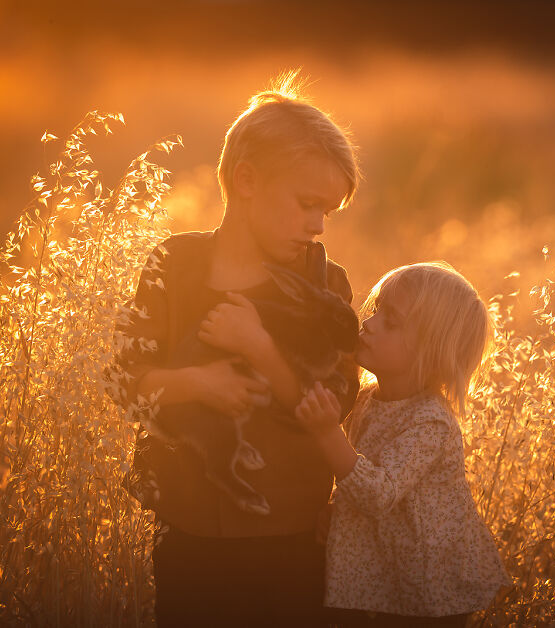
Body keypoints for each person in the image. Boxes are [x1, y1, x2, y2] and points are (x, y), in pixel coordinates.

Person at [113, 72, 360, 627]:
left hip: (291, 532)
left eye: (328, 212)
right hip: (188, 527)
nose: (317, 225)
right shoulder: (173, 266)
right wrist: (200, 383)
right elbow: (126, 380)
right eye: (306, 204)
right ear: (246, 180)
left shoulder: (327, 287)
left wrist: (260, 347)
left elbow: (332, 405)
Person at [295, 262, 512, 627]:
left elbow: (379, 492)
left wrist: (326, 432)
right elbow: (358, 468)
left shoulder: (431, 421)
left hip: (429, 592)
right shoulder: (366, 399)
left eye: (391, 322)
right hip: (386, 576)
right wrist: (336, 508)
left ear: (432, 352)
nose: (369, 322)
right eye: (377, 309)